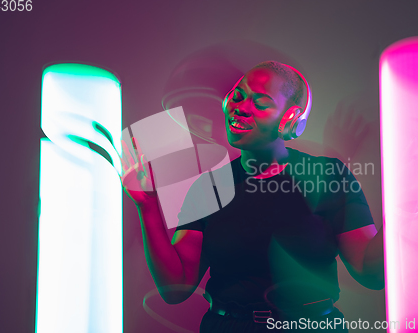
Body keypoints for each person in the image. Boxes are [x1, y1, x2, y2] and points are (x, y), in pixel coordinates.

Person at [120, 61, 384, 332]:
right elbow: (176, 288)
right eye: (237, 96)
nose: (241, 107)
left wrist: (403, 205)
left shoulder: (327, 175)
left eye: (260, 102)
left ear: (290, 119)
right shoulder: (209, 186)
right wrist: (148, 206)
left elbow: (370, 272)